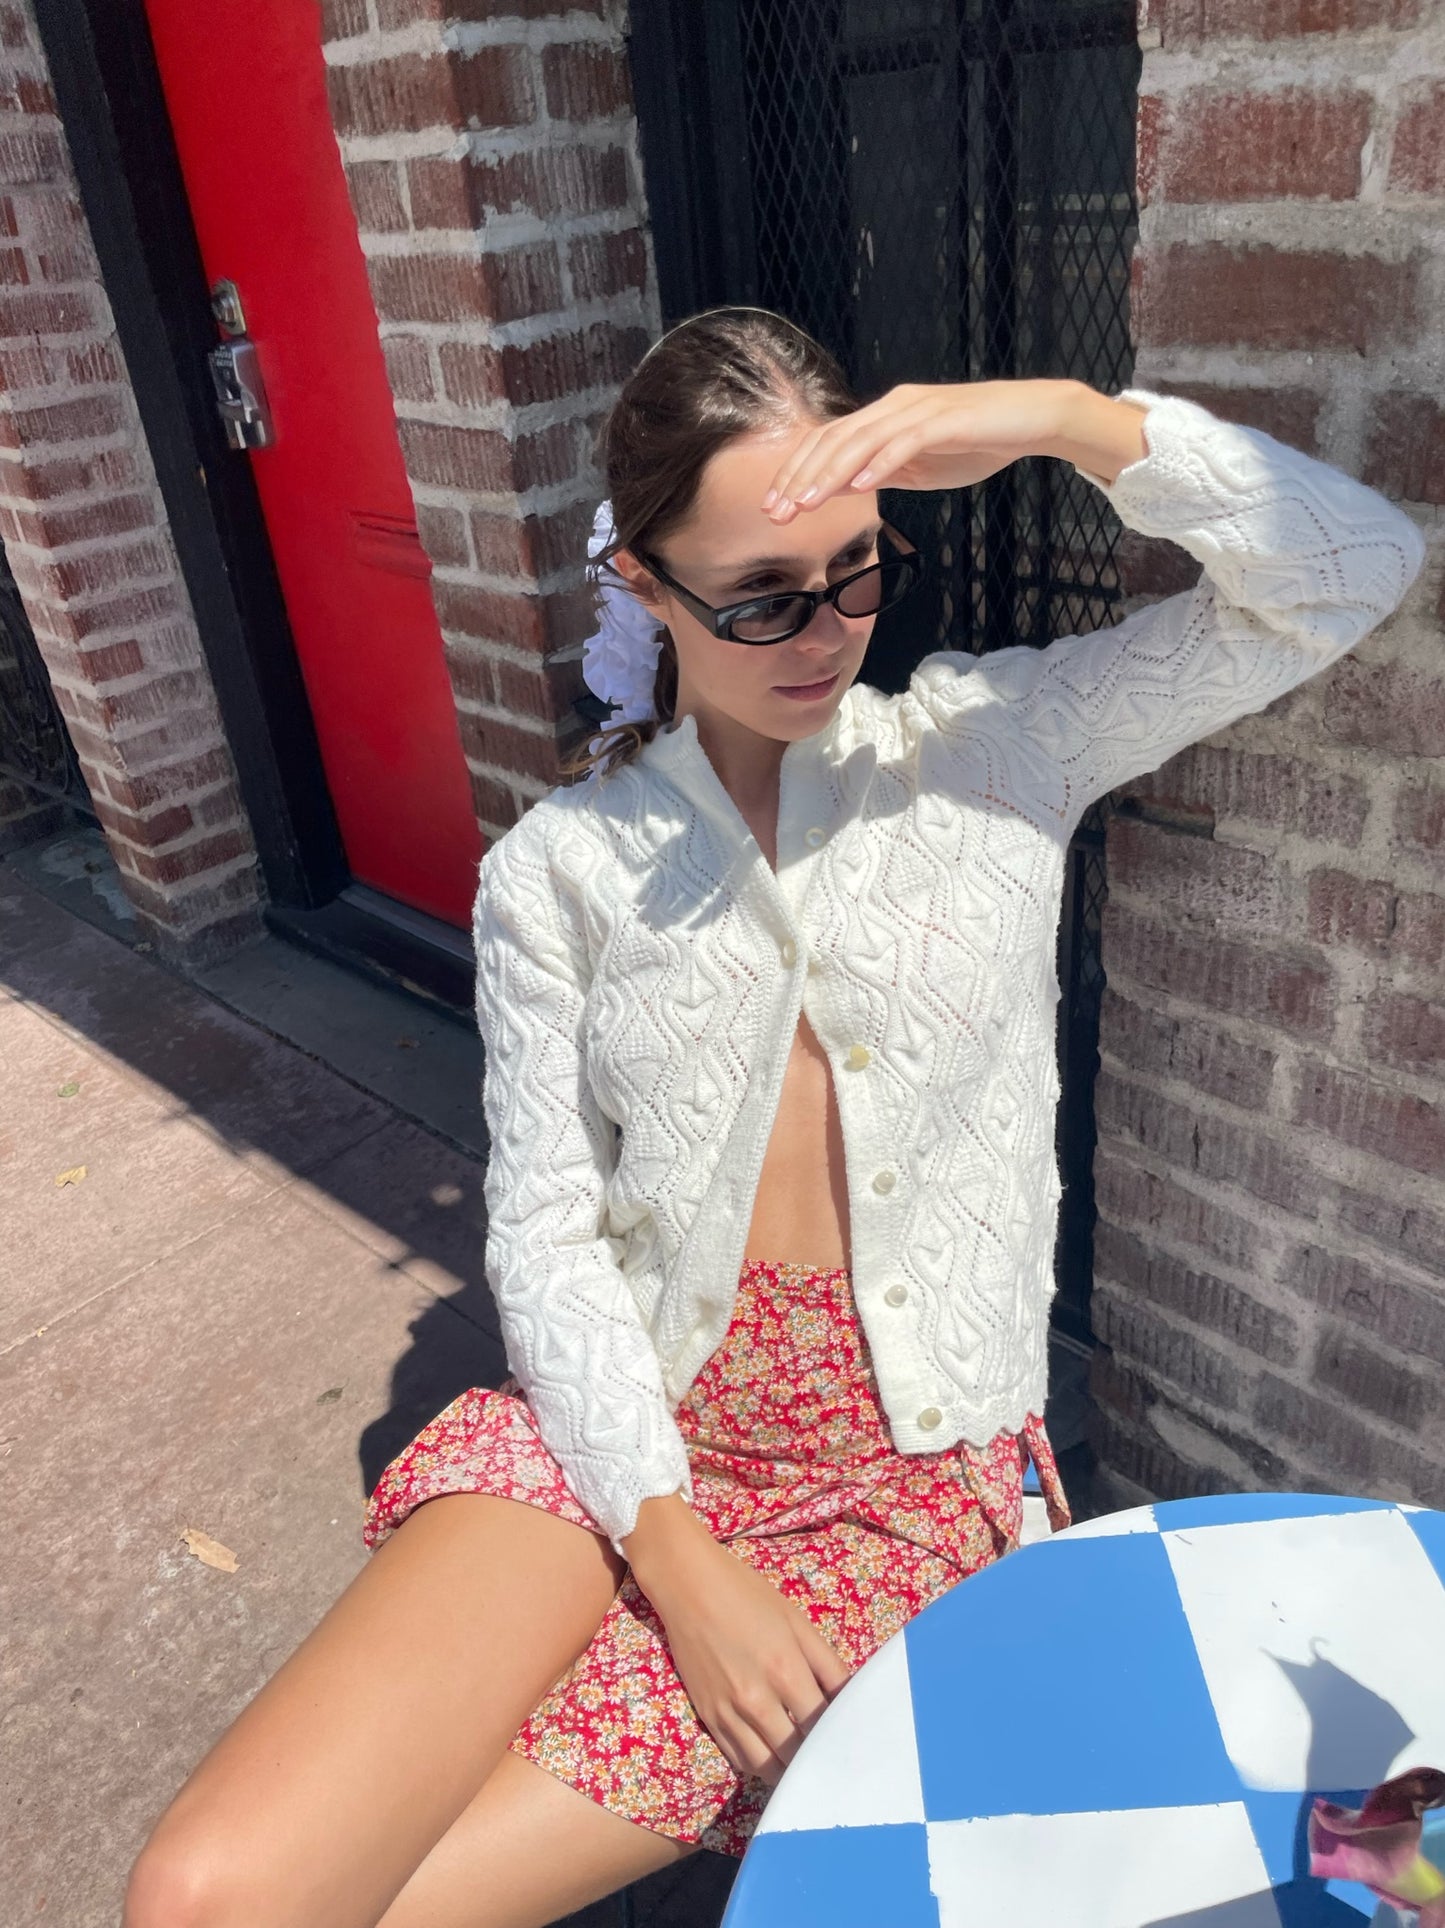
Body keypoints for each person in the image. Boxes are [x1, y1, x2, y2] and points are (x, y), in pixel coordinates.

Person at [123, 307, 1424, 1928]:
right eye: (759, 597)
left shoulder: (998, 745)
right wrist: (673, 1554)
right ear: (643, 588)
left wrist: (1063, 419)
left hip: (899, 1472)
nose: (824, 633)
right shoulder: (561, 874)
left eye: (857, 572)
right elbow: (542, 1228)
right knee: (212, 1897)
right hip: (627, 1431)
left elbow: (1347, 568)